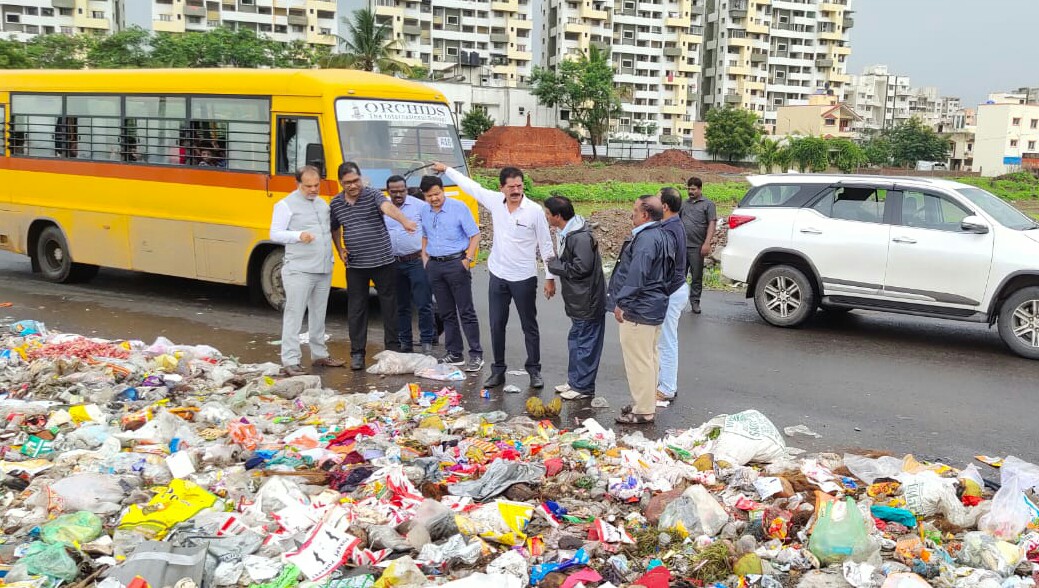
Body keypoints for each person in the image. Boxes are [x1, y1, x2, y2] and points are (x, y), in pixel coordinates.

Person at [431, 162, 556, 390]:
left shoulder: (534, 211)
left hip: (524, 277)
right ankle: (498, 371)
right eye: (511, 187)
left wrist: (550, 278)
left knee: (529, 326)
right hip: (498, 275)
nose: (516, 191)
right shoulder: (495, 202)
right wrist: (447, 169)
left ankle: (534, 370)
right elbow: (471, 187)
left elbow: (546, 245)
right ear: (502, 188)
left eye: (519, 186)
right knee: (497, 325)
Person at [329, 162, 417, 370]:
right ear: (341, 183)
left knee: (390, 307)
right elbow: (335, 227)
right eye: (348, 182)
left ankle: (392, 351)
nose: (353, 185)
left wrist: (404, 221)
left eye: (356, 180)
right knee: (356, 310)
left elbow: (387, 207)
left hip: (383, 262)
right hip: (356, 265)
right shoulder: (336, 204)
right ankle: (357, 354)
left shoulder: (372, 195)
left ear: (361, 178)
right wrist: (340, 249)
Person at [269, 165, 345, 376]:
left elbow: (330, 230)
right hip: (299, 269)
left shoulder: (322, 204)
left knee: (319, 314)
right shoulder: (285, 205)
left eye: (316, 185)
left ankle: (319, 354)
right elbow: (275, 233)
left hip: (323, 267)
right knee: (294, 314)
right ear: (298, 184)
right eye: (308, 186)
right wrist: (298, 235)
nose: (313, 189)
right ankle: (290, 360)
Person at [607, 195, 675, 425]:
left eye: (635, 210)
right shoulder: (664, 235)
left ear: (645, 215)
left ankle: (644, 410)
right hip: (654, 305)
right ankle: (645, 402)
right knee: (649, 358)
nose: (632, 214)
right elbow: (673, 273)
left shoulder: (645, 239)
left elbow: (637, 275)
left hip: (639, 308)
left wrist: (621, 302)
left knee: (638, 361)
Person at [543, 196, 606, 401]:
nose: (546, 216)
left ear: (558, 216)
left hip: (587, 300)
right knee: (576, 341)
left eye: (548, 213)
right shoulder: (568, 233)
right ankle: (574, 381)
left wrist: (555, 265)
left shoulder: (580, 237)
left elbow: (582, 268)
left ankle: (583, 387)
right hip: (578, 299)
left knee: (586, 344)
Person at [419, 175, 483, 372]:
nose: (434, 198)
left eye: (437, 194)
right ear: (424, 195)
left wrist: (467, 259)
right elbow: (425, 235)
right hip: (435, 266)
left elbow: (475, 234)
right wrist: (425, 258)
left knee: (466, 311)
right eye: (429, 196)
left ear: (442, 190)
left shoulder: (458, 207)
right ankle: (455, 353)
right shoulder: (424, 211)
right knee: (446, 312)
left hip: (457, 263)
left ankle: (476, 354)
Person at [384, 175, 436, 355]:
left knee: (423, 303)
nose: (398, 195)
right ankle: (405, 341)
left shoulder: (420, 206)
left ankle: (427, 341)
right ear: (388, 191)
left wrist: (427, 255)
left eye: (402, 191)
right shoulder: (383, 207)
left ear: (406, 190)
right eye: (394, 192)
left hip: (416, 261)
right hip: (393, 262)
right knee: (401, 305)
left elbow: (431, 229)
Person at [656, 187, 689, 405]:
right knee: (666, 339)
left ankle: (667, 388)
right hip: (677, 287)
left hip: (672, 290)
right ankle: (665, 383)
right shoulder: (675, 225)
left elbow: (665, 267)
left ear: (665, 206)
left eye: (658, 199)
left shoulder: (669, 230)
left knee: (666, 341)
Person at [680, 177, 717, 314]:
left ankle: (695, 302)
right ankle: (677, 303)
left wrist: (707, 243)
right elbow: (676, 221)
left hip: (697, 247)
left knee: (696, 277)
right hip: (682, 247)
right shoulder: (683, 204)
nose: (690, 191)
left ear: (700, 189)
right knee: (679, 277)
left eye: (693, 189)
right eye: (689, 189)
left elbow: (712, 224)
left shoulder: (708, 204)